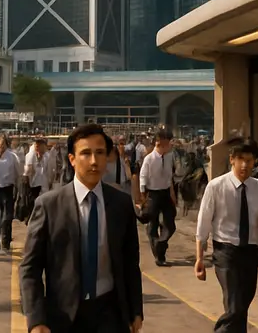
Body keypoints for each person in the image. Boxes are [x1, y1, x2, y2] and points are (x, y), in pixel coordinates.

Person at [19, 123, 143, 333]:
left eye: (100, 153)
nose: (94, 161)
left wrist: (136, 310)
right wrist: (36, 320)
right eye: (86, 153)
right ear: (72, 159)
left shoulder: (121, 204)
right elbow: (30, 268)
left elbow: (130, 262)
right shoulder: (49, 205)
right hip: (63, 315)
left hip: (110, 313)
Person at [194, 139, 258, 332]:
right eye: (240, 159)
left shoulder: (257, 187)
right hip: (225, 253)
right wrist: (199, 259)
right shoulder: (216, 186)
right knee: (235, 306)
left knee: (242, 306)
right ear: (232, 160)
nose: (245, 165)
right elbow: (203, 223)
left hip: (250, 253)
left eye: (249, 160)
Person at [139, 129, 177, 267]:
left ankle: (160, 243)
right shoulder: (149, 159)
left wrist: (172, 194)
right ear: (160, 142)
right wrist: (143, 196)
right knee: (152, 224)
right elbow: (143, 177)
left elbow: (169, 177)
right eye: (168, 142)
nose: (170, 145)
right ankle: (159, 256)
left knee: (170, 224)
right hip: (153, 194)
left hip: (165, 193)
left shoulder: (169, 156)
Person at [103, 135, 136, 200]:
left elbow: (128, 176)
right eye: (120, 144)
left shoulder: (121, 159)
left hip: (122, 192)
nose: (122, 147)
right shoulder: (100, 164)